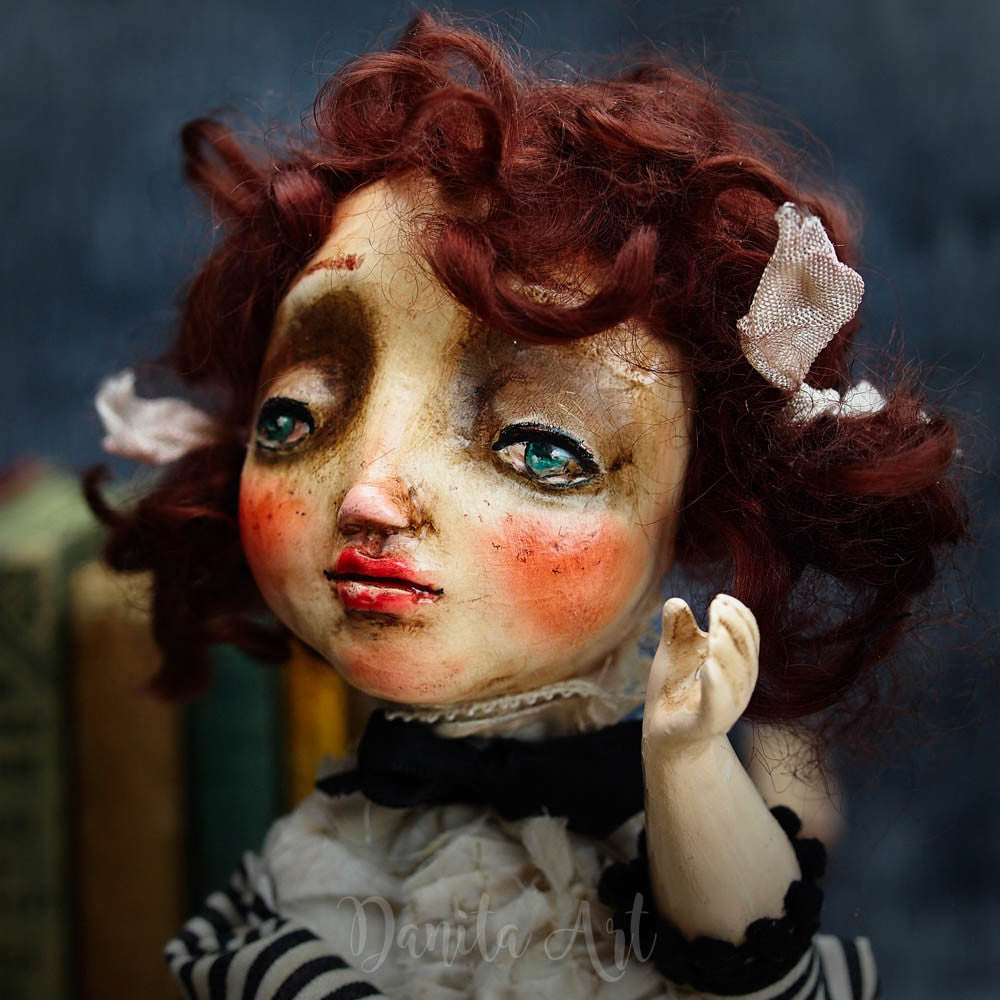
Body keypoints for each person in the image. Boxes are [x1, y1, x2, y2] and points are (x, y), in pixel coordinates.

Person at [89, 12, 965, 999]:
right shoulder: (326, 872)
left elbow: (750, 955)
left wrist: (685, 761)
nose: (368, 494)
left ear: (702, 498)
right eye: (296, 417)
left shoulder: (648, 822)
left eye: (541, 446)